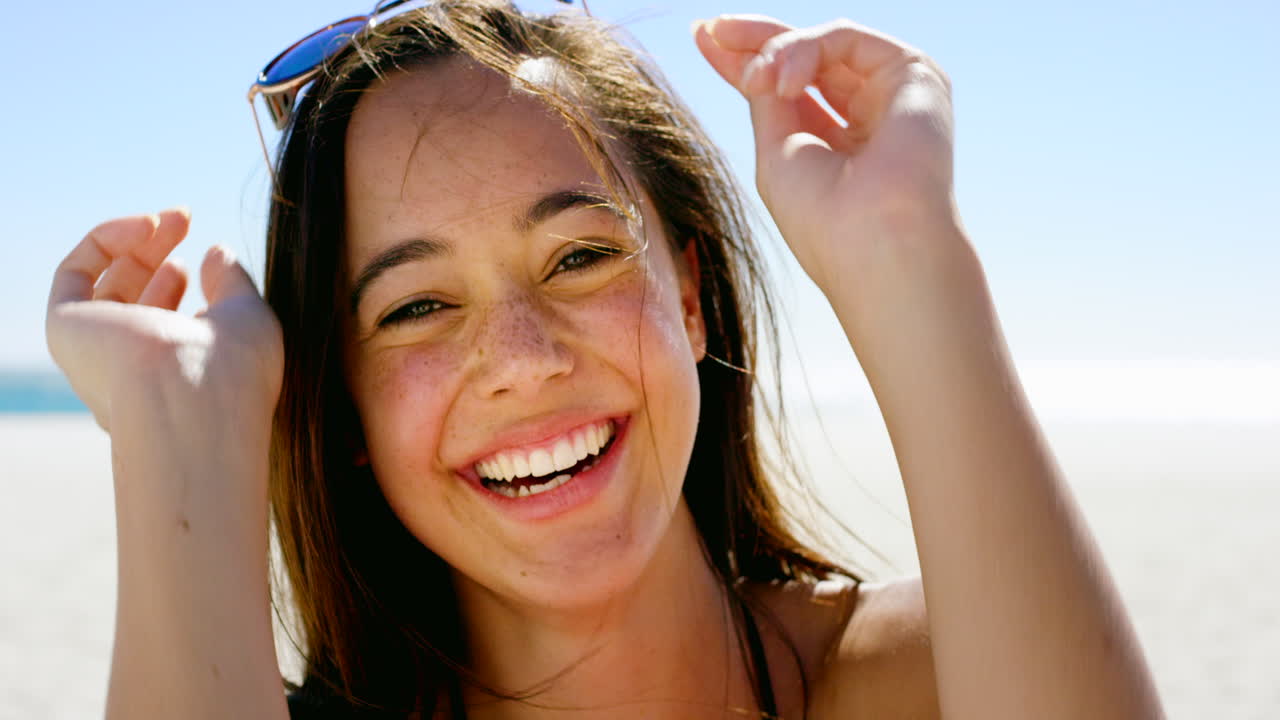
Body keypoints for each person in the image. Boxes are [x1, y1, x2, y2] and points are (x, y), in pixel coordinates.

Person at [44, 1, 1165, 718]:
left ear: (687, 296)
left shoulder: (934, 675)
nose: (522, 360)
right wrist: (177, 434)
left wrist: (909, 262)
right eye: (417, 305)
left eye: (578, 255)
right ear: (340, 409)